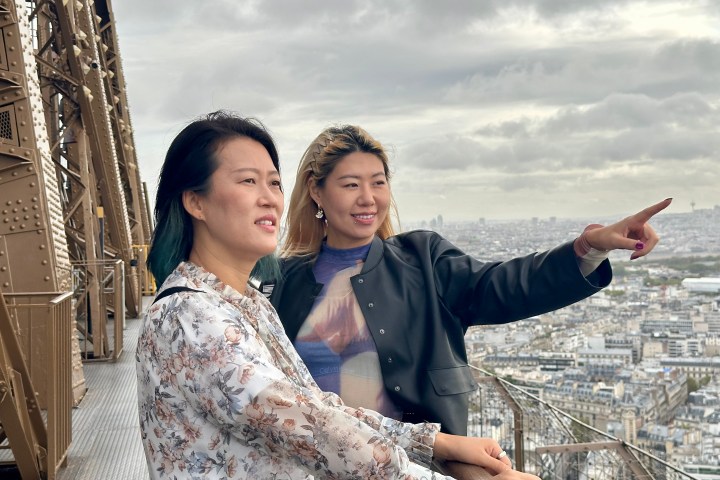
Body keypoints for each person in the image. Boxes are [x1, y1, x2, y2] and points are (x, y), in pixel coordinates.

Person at [136, 111, 539, 479]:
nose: (269, 197)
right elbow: (312, 428)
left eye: (274, 182)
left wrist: (435, 443)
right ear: (195, 201)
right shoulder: (188, 316)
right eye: (247, 181)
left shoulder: (248, 305)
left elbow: (316, 407)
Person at [264, 124, 672, 436]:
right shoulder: (283, 279)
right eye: (350, 185)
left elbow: (504, 286)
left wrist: (588, 247)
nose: (368, 197)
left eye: (378, 182)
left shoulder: (422, 259)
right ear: (316, 193)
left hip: (418, 465)